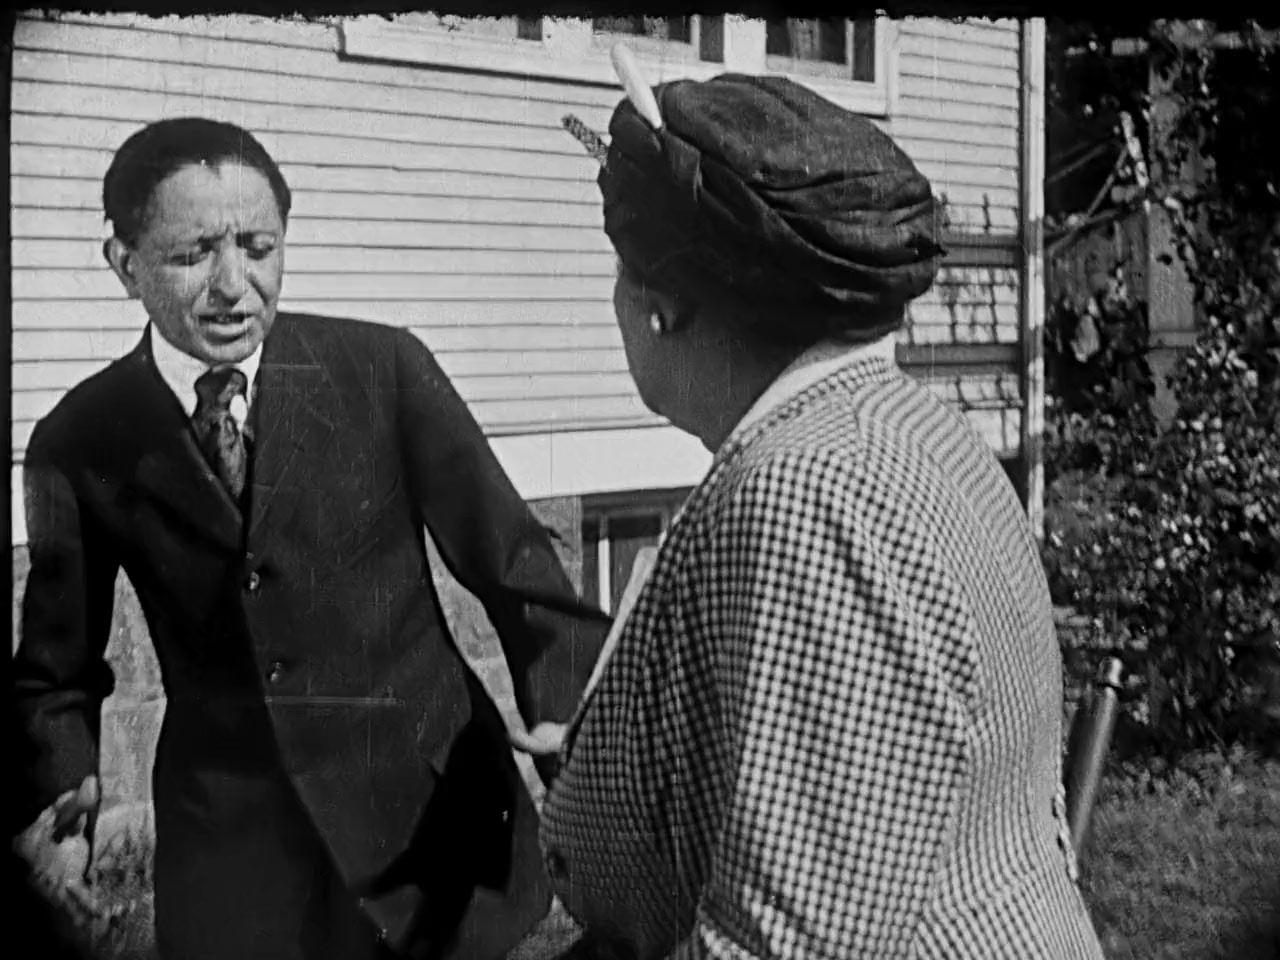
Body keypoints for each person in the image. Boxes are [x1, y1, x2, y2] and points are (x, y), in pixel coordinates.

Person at [533, 73, 1108, 958]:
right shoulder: (898, 427)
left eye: (620, 270)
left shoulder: (809, 494)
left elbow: (797, 941)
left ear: (664, 305)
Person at [9, 116, 610, 960]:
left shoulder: (383, 369)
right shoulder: (78, 441)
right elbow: (56, 672)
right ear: (124, 263)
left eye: (258, 247)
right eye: (192, 255)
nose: (234, 285)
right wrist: (57, 816)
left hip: (432, 822)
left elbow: (518, 568)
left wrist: (574, 722)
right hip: (236, 865)